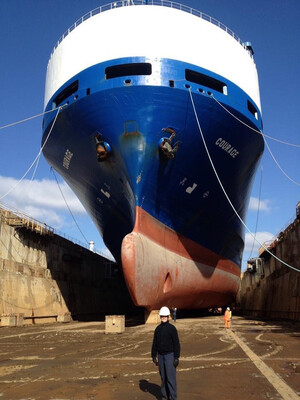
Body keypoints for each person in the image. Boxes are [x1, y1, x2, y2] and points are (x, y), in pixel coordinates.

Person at [151, 306, 180, 400]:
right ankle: (164, 397)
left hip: (169, 356)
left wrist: (176, 357)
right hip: (161, 356)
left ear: (168, 317)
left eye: (165, 316)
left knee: (170, 379)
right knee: (163, 378)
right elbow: (154, 343)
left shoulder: (172, 329)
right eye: (162, 316)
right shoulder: (157, 329)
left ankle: (173, 398)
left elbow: (176, 343)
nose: (163, 317)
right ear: (160, 317)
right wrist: (153, 355)